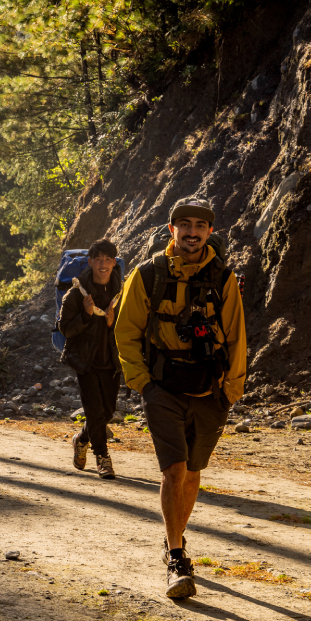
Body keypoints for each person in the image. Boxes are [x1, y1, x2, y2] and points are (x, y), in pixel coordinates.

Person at [115, 197, 246, 599]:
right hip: (163, 388)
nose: (192, 232)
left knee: (191, 473)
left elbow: (237, 336)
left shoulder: (223, 278)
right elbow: (126, 331)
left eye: (199, 226)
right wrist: (142, 383)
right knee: (174, 470)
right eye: (184, 225)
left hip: (210, 390)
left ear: (210, 231)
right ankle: (176, 558)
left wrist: (231, 390)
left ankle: (176, 536)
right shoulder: (147, 275)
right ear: (172, 229)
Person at [59, 239, 122, 479]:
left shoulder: (122, 293)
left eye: (107, 260)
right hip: (86, 363)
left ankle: (82, 438)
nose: (102, 265)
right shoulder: (77, 294)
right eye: (98, 259)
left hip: (111, 362)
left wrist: (113, 323)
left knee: (107, 413)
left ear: (114, 263)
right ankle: (102, 458)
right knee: (95, 412)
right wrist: (86, 316)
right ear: (90, 262)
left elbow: (132, 326)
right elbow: (66, 329)